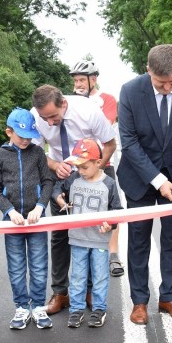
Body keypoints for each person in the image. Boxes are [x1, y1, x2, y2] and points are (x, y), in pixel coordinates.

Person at [117, 44, 172, 324]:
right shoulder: (130, 91)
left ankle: (169, 297)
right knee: (139, 240)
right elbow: (129, 142)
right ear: (148, 71)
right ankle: (139, 302)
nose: (168, 88)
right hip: (140, 178)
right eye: (161, 83)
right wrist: (157, 180)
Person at [31, 85, 116, 315]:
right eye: (43, 118)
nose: (48, 123)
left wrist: (93, 171)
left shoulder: (88, 111)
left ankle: (87, 291)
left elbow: (110, 144)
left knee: (90, 233)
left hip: (92, 172)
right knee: (60, 235)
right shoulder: (36, 117)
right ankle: (61, 293)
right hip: (60, 173)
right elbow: (38, 152)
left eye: (52, 117)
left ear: (64, 105)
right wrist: (56, 165)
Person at [0, 108, 55, 330]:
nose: (26, 140)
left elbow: (47, 181)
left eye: (29, 136)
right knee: (16, 266)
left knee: (38, 265)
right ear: (8, 132)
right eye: (21, 136)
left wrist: (40, 206)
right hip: (13, 221)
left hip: (37, 220)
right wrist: (9, 211)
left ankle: (37, 306)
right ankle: (21, 307)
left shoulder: (37, 153)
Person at [53, 139, 122, 328]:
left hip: (99, 240)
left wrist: (110, 224)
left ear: (98, 163)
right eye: (77, 166)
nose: (80, 171)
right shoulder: (73, 179)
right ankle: (76, 309)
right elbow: (57, 189)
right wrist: (59, 199)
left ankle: (99, 309)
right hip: (77, 239)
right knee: (77, 276)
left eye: (84, 166)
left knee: (100, 276)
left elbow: (117, 210)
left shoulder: (108, 183)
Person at [69, 60, 125, 277]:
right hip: (81, 163)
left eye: (82, 80)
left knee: (109, 210)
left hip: (103, 163)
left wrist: (84, 102)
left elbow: (103, 124)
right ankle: (85, 253)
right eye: (75, 80)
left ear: (94, 80)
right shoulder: (71, 101)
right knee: (82, 209)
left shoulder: (107, 100)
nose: (78, 84)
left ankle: (113, 253)